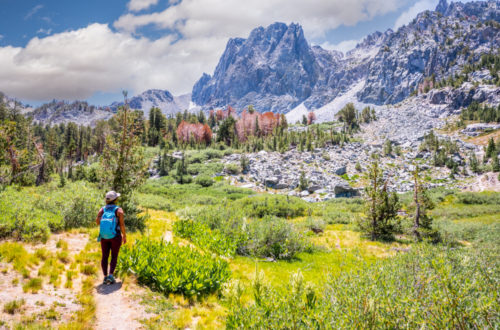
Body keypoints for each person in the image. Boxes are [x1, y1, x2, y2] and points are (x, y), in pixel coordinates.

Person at [96, 191, 126, 285]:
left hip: (104, 236)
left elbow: (97, 222)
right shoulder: (119, 210)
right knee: (114, 256)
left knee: (104, 256)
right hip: (115, 236)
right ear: (115, 199)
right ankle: (111, 276)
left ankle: (105, 277)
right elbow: (122, 225)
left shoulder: (102, 209)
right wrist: (124, 235)